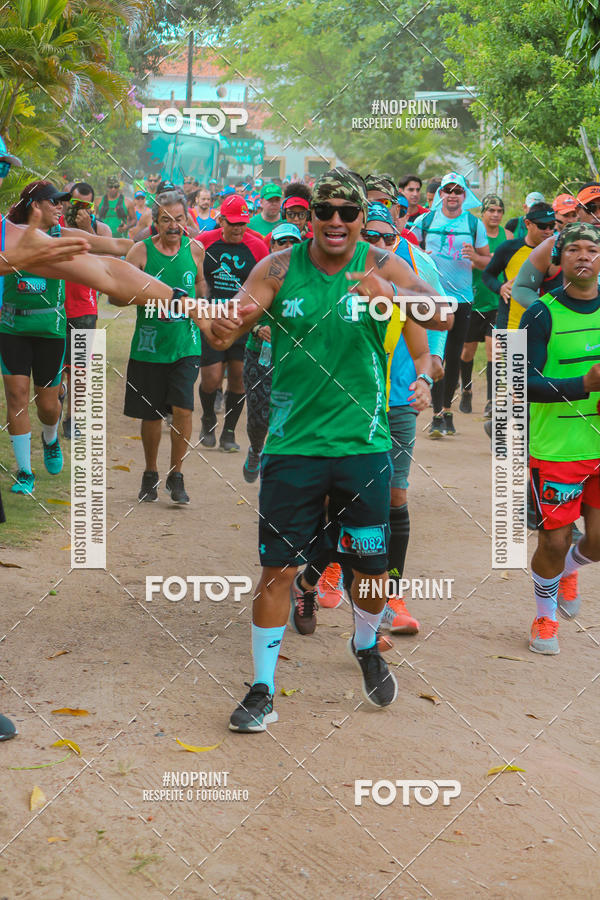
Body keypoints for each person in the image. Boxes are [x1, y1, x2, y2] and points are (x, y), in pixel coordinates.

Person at [196, 168, 454, 732]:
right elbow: (231, 325)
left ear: (362, 219)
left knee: (370, 570)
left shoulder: (385, 264)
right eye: (325, 211)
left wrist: (405, 323)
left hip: (363, 445)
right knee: (276, 571)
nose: (336, 221)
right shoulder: (279, 268)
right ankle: (262, 689)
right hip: (293, 446)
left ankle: (366, 646)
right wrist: (212, 323)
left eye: (347, 212)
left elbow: (440, 312)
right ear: (308, 217)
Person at [521, 224, 600, 654]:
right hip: (557, 448)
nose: (583, 256)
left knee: (597, 542)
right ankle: (545, 616)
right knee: (553, 539)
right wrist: (582, 384)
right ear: (560, 258)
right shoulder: (540, 312)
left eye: (592, 249)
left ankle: (567, 569)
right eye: (574, 249)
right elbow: (521, 381)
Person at [115, 191, 206, 504]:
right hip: (149, 346)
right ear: (155, 221)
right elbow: (115, 295)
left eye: (179, 219)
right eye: (166, 219)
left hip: (186, 343)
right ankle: (150, 472)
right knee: (151, 415)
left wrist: (203, 311)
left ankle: (176, 475)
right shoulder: (140, 253)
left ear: (186, 220)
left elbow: (201, 288)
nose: (173, 225)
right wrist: (154, 297)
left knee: (184, 408)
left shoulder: (195, 250)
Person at [411, 172, 490, 437]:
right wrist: (421, 255)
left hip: (463, 299)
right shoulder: (426, 220)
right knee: (436, 356)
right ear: (441, 194)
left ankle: (447, 410)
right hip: (434, 299)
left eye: (458, 191)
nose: (453, 195)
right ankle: (435, 416)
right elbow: (406, 249)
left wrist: (475, 258)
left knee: (454, 357)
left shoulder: (473, 223)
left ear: (464, 196)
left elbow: (488, 261)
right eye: (448, 190)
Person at [197, 194, 269, 451]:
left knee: (239, 378)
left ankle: (228, 432)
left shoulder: (258, 246)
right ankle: (207, 419)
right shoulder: (204, 242)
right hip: (212, 318)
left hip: (243, 320)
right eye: (233, 223)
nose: (239, 228)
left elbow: (266, 283)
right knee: (211, 379)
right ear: (221, 221)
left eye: (242, 223)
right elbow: (192, 271)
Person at [242, 223, 303, 483]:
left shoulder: (311, 280)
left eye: (293, 242)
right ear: (272, 246)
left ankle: (280, 470)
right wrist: (257, 328)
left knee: (291, 415)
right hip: (260, 355)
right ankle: (256, 448)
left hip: (297, 359)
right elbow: (242, 314)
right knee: (259, 418)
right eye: (282, 242)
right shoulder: (260, 275)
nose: (288, 247)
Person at [59, 182, 109, 438]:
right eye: (75, 203)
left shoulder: (100, 229)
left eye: (86, 206)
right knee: (58, 370)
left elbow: (107, 261)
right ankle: (59, 396)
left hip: (84, 308)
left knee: (79, 369)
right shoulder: (53, 224)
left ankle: (73, 419)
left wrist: (87, 229)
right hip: (54, 307)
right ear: (67, 200)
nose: (79, 210)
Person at [511, 183, 600, 313]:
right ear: (577, 211)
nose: (598, 214)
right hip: (565, 330)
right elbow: (521, 288)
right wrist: (551, 312)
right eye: (590, 208)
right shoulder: (554, 245)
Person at [459, 193, 510, 417]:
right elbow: (469, 262)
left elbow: (503, 264)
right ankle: (466, 390)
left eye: (499, 211)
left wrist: (481, 260)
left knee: (494, 351)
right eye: (491, 210)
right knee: (467, 351)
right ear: (483, 213)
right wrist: (488, 260)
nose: (496, 215)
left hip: (497, 302)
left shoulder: (507, 237)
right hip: (473, 300)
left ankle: (491, 400)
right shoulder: (474, 234)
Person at [483, 202, 556, 331]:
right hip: (511, 325)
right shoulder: (508, 248)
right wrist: (500, 287)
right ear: (527, 223)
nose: (548, 231)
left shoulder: (559, 251)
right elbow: (487, 275)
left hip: (548, 326)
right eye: (542, 226)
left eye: (551, 226)